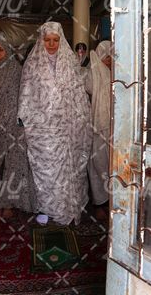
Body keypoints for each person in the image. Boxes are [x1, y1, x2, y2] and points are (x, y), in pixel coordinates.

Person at [18, 22, 92, 225]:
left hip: (67, 128)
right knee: (46, 170)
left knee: (68, 169)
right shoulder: (32, 65)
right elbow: (26, 94)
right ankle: (48, 208)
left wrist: (80, 119)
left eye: (55, 40)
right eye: (47, 40)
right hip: (42, 130)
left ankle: (69, 207)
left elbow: (79, 95)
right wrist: (26, 118)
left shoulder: (70, 63)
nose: (51, 44)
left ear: (61, 41)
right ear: (41, 41)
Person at [0, 32, 37, 218]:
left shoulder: (16, 70)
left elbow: (24, 98)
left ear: (7, 50)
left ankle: (9, 203)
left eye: (1, 50)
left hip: (13, 126)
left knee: (12, 166)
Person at [84, 40, 112, 220]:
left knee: (112, 165)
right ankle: (99, 203)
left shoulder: (118, 72)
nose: (109, 60)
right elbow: (88, 89)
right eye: (106, 57)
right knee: (97, 164)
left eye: (112, 57)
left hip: (114, 127)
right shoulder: (91, 72)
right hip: (96, 126)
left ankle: (112, 202)